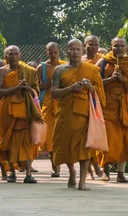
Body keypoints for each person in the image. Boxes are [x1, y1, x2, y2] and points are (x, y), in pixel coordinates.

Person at [51, 39, 105, 190]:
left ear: (82, 51)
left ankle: (82, 181)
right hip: (65, 114)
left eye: (78, 49)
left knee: (83, 147)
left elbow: (100, 94)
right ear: (66, 51)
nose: (75, 52)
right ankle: (71, 171)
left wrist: (90, 87)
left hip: (84, 114)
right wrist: (70, 89)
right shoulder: (59, 70)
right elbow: (54, 92)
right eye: (71, 49)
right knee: (66, 145)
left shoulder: (91, 70)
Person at [96, 37, 128, 183]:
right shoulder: (103, 62)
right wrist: (110, 79)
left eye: (121, 46)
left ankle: (121, 173)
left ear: (126, 48)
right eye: (116, 46)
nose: (118, 49)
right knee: (108, 139)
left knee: (125, 139)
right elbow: (94, 82)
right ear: (111, 47)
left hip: (125, 108)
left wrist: (123, 80)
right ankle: (106, 171)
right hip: (107, 107)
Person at [0, 45, 40, 184]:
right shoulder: (2, 71)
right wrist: (14, 89)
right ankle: (12, 173)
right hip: (8, 110)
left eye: (16, 54)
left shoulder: (29, 71)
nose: (13, 56)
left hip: (25, 110)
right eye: (10, 54)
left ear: (20, 56)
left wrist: (27, 88)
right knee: (8, 140)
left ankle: (28, 174)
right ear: (6, 57)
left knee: (27, 141)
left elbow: (36, 92)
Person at [36, 42, 66, 177]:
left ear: (59, 51)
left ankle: (63, 165)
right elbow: (37, 87)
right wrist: (51, 83)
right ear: (46, 52)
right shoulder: (42, 68)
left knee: (62, 135)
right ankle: (55, 167)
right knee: (50, 138)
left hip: (62, 102)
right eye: (50, 52)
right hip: (47, 104)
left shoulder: (65, 65)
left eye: (55, 52)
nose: (53, 55)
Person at [82, 35, 104, 178]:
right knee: (84, 134)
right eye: (91, 44)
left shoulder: (102, 58)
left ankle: (96, 165)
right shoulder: (79, 61)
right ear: (85, 45)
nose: (94, 48)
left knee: (95, 132)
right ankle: (91, 166)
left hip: (96, 98)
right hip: (82, 99)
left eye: (96, 44)